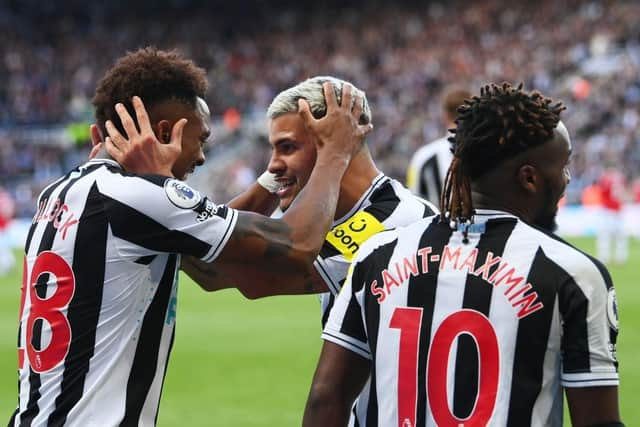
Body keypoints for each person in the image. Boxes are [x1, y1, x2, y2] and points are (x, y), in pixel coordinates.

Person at [9, 48, 370, 426]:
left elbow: (205, 265)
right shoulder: (136, 196)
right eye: (201, 139)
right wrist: (334, 152)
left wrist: (272, 176)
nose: (201, 157)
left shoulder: (59, 192)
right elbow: (295, 244)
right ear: (167, 133)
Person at [106, 75, 438, 425]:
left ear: (334, 144)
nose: (274, 162)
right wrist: (271, 180)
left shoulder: (393, 220)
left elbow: (248, 275)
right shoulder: (336, 220)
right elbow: (206, 265)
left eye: (288, 147)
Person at [304, 83, 622, 427]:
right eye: (562, 167)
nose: (566, 179)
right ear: (529, 179)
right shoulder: (572, 273)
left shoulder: (378, 255)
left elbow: (327, 399)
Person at [406, 87, 471, 206]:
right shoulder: (491, 152)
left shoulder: (423, 157)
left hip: (434, 222)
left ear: (445, 115)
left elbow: (413, 198)